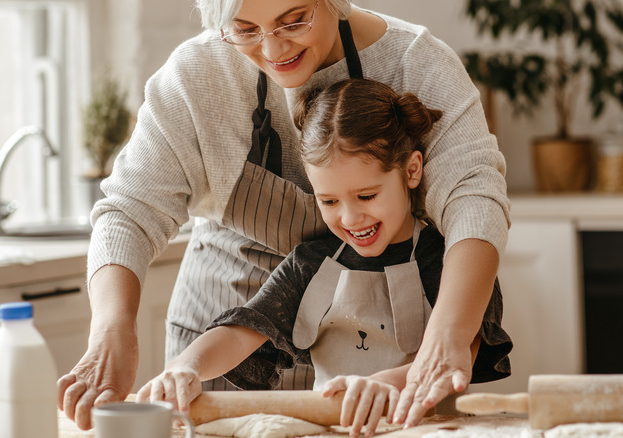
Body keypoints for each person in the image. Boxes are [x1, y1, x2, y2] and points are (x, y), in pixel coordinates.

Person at [57, 0, 511, 431]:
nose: (273, 49)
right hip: (228, 356)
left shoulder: (417, 61)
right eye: (245, 30)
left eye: (294, 20)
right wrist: (113, 331)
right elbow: (129, 210)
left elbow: (473, 198)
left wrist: (448, 334)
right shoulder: (195, 75)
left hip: (379, 374)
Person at [135, 78, 512, 438]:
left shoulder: (451, 260)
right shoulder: (311, 264)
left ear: (411, 170)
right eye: (329, 201)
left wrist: (386, 386)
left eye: (367, 196)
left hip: (431, 429)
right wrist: (186, 367)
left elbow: (464, 346)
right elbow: (241, 333)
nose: (349, 218)